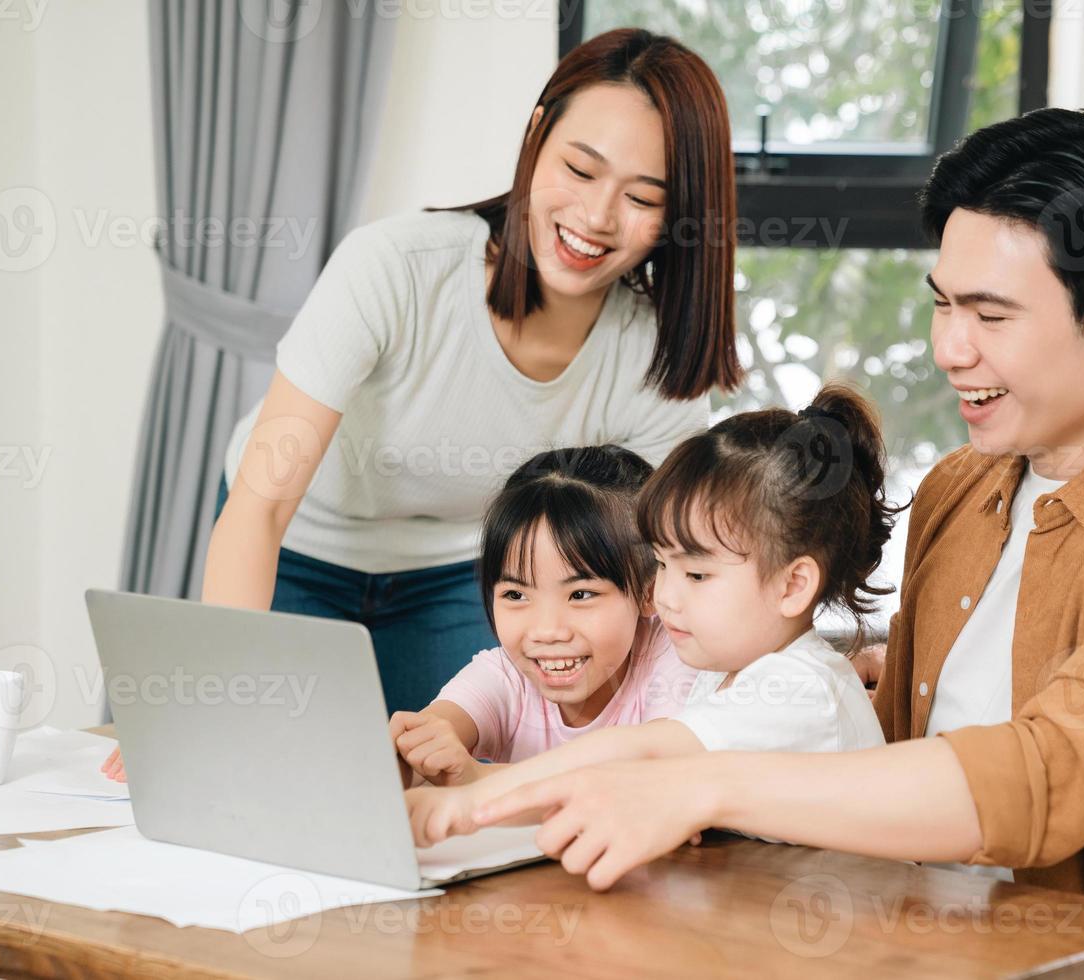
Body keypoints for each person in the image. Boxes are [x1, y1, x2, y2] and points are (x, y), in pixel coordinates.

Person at [470, 108, 1084, 980]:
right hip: (917, 932)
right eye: (944, 305)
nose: (948, 347)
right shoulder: (964, 485)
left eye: (991, 314)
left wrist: (705, 781)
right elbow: (893, 730)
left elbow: (1047, 778)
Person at [102, 29, 742, 781]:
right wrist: (210, 697)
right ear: (537, 135)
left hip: (458, 574)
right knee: (258, 772)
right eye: (579, 169)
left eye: (641, 198)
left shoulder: (653, 355)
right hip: (297, 543)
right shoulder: (397, 268)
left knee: (435, 781)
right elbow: (261, 504)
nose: (598, 218)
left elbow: (665, 566)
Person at [404, 382, 896, 847]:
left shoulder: (798, 687)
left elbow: (635, 759)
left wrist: (478, 795)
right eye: (662, 564)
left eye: (697, 575)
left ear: (792, 586)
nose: (663, 598)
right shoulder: (722, 671)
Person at [389, 445, 696, 787]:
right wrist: (412, 752)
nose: (547, 631)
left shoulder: (675, 656)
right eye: (516, 595)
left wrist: (483, 778)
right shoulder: (506, 674)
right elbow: (438, 731)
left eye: (580, 595)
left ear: (648, 592)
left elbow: (659, 777)